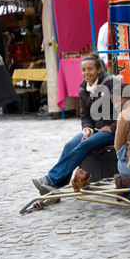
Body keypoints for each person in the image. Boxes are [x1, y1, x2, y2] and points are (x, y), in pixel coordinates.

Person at [32, 53, 117, 195]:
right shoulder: (83, 90)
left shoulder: (111, 85)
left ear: (99, 70)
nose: (86, 73)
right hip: (95, 130)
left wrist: (112, 127)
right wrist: (87, 130)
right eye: (84, 70)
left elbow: (124, 112)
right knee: (69, 145)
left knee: (85, 144)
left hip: (112, 132)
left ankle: (50, 179)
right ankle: (55, 187)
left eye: (90, 69)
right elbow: (85, 116)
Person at [111, 83, 130, 189]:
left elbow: (118, 147)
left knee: (121, 162)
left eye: (118, 101)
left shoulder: (124, 115)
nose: (116, 106)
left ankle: (127, 181)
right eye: (114, 103)